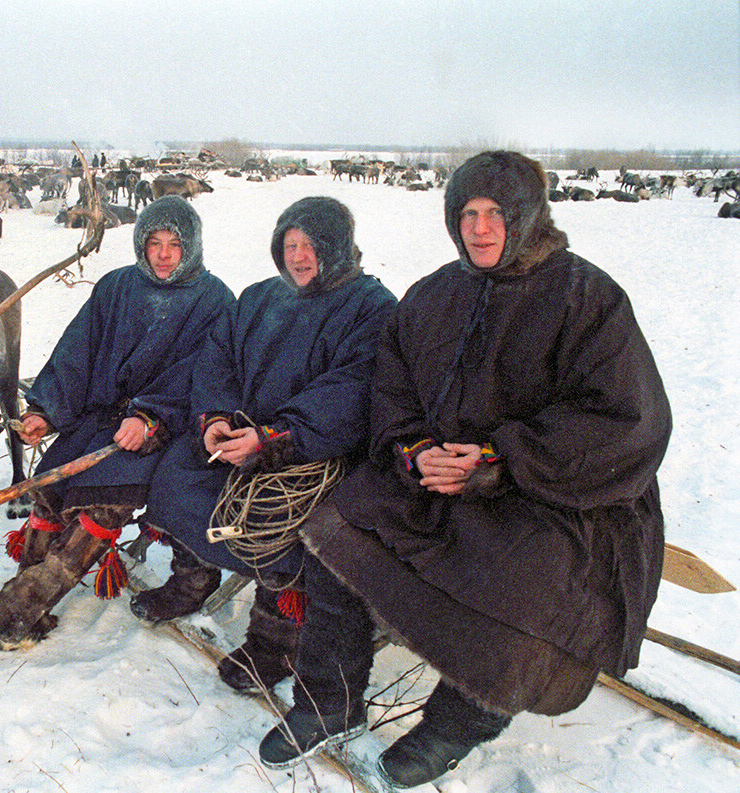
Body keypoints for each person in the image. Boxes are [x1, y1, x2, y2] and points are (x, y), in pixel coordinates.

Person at [260, 151, 672, 782]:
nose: (479, 228)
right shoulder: (434, 296)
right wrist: (411, 448)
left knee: (530, 581)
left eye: (495, 214)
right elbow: (390, 390)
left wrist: (499, 458)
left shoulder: (587, 297)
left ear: (527, 216)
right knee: (338, 523)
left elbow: (629, 422)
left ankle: (461, 719)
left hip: (557, 493)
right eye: (468, 214)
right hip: (436, 477)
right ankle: (327, 699)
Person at [131, 197, 396, 696]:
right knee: (181, 474)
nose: (299, 256)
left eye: (312, 245)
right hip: (239, 436)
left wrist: (272, 440)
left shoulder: (372, 308)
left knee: (277, 520)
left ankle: (275, 639)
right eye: (290, 245)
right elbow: (217, 359)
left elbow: (353, 391)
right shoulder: (258, 298)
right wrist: (214, 418)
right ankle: (192, 579)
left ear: (339, 247)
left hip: (311, 451)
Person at [0, 196, 235, 650]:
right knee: (48, 489)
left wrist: (150, 417)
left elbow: (204, 375)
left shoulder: (214, 300)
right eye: (153, 242)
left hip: (161, 432)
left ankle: (22, 606)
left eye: (174, 245)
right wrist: (45, 409)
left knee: (101, 505)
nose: (162, 254)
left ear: (192, 247)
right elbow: (77, 351)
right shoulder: (117, 286)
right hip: (101, 419)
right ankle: (25, 581)